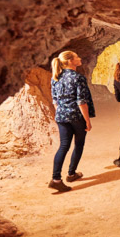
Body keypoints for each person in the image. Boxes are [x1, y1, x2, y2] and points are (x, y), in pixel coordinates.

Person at [50, 50, 95, 193]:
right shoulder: (78, 77)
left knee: (63, 146)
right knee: (79, 144)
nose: (80, 58)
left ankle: (56, 179)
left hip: (61, 116)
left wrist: (61, 112)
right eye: (77, 57)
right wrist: (87, 120)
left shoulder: (55, 77)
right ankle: (71, 174)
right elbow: (81, 101)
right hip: (76, 117)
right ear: (70, 61)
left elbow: (55, 101)